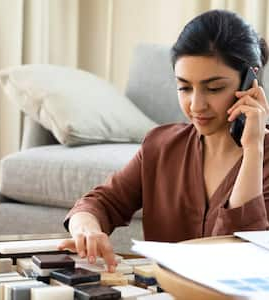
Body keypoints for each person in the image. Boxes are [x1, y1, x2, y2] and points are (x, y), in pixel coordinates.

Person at [58, 9, 269, 272]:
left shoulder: (263, 160)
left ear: (251, 83)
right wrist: (86, 227)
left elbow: (239, 260)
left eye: (214, 88)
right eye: (184, 87)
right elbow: (102, 202)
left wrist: (253, 149)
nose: (196, 105)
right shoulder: (161, 145)